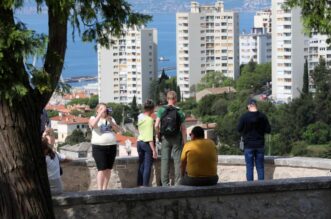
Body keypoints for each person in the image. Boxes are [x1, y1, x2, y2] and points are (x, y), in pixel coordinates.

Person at [155, 91, 186, 186]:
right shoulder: (180, 111)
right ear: (175, 99)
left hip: (165, 137)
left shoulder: (161, 110)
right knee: (177, 160)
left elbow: (156, 125)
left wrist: (158, 135)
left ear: (167, 99)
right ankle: (177, 183)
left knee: (165, 159)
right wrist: (185, 141)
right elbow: (183, 129)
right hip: (177, 137)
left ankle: (165, 184)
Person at [237, 98, 271, 181]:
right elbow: (268, 130)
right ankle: (261, 187)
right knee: (260, 167)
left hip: (248, 145)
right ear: (256, 106)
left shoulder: (244, 117)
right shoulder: (262, 116)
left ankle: (249, 187)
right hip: (260, 145)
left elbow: (238, 129)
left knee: (249, 167)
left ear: (248, 106)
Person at [89, 103, 121, 190]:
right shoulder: (93, 118)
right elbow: (93, 125)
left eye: (105, 109)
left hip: (111, 146)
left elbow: (118, 130)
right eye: (102, 108)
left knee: (108, 169)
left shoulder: (111, 118)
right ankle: (100, 190)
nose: (104, 110)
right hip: (99, 147)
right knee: (101, 169)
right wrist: (100, 114)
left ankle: (105, 188)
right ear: (97, 110)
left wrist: (110, 121)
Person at [137, 99, 158, 187]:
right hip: (146, 144)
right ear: (152, 109)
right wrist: (154, 150)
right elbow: (150, 138)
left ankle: (139, 184)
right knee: (147, 166)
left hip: (139, 142)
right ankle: (145, 186)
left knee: (141, 165)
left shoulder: (140, 117)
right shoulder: (149, 120)